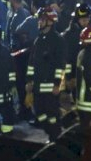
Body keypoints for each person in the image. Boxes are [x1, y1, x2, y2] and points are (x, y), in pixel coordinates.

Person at [27, 7, 65, 140]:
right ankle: (52, 134)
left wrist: (57, 84)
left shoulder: (57, 40)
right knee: (39, 114)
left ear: (50, 21)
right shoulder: (38, 40)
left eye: (42, 20)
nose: (39, 22)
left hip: (51, 87)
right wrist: (29, 81)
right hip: (38, 86)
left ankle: (56, 137)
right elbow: (32, 63)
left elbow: (60, 66)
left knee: (53, 115)